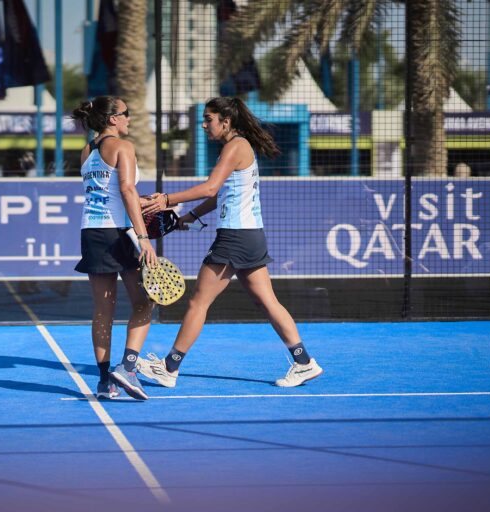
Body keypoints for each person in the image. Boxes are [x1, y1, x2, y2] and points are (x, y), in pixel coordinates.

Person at [138, 96, 322, 388]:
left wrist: (166, 200)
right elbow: (220, 195)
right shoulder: (238, 147)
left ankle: (169, 368)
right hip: (251, 235)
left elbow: (210, 187)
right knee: (267, 301)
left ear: (226, 122)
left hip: (235, 236)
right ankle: (304, 362)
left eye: (208, 119)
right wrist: (190, 216)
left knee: (199, 302)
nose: (204, 125)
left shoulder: (235, 147)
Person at [71, 96, 157, 400]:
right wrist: (143, 237)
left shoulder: (87, 151)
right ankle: (128, 367)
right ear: (113, 119)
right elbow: (126, 189)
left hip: (91, 231)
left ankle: (105, 382)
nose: (129, 118)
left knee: (103, 310)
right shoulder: (123, 147)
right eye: (126, 113)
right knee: (144, 303)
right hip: (118, 233)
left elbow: (106, 193)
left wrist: (143, 203)